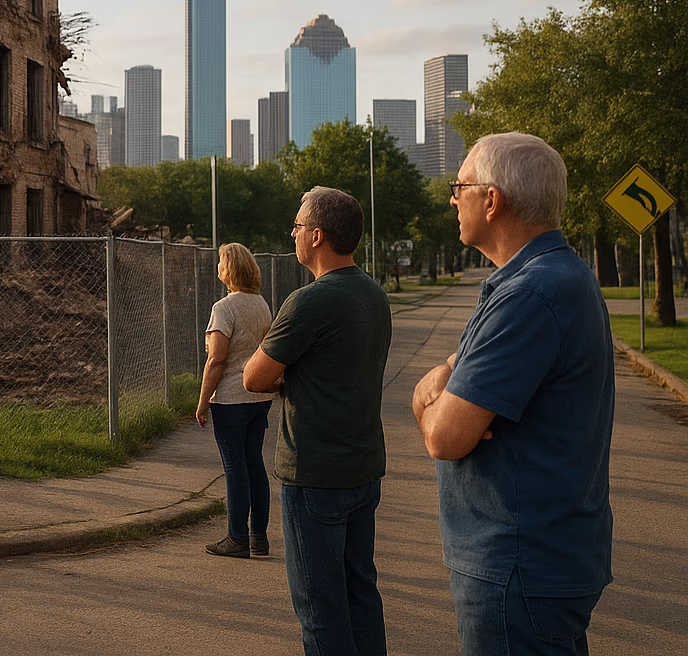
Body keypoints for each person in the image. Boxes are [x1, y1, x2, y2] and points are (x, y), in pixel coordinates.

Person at [412, 132, 612, 655]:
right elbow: (456, 374)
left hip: (516, 565)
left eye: (460, 187)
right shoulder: (551, 277)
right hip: (544, 558)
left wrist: (427, 397)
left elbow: (446, 436)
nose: (453, 199)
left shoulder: (529, 294)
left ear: (492, 199)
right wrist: (443, 383)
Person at [243, 186, 392, 656]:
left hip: (314, 476)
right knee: (360, 594)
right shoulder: (373, 293)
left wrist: (286, 377)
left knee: (320, 608)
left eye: (298, 225)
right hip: (362, 469)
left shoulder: (308, 301)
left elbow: (253, 377)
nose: (293, 232)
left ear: (318, 236)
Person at [195, 242, 276, 558]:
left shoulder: (224, 308)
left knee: (235, 468)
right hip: (258, 397)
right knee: (255, 463)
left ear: (228, 269)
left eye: (219, 262)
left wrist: (203, 402)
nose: (217, 267)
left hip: (230, 400)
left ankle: (237, 537)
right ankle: (259, 537)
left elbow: (216, 360)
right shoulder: (261, 305)